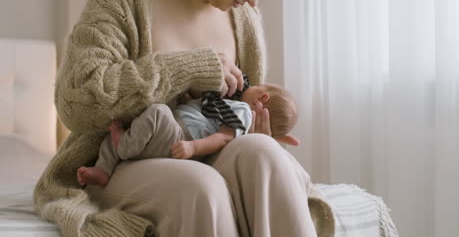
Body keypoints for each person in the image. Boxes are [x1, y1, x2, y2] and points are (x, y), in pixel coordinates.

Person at [33, 0, 335, 236]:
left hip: (207, 152)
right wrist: (187, 68)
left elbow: (233, 116)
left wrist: (256, 130)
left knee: (266, 153)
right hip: (122, 161)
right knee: (201, 188)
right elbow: (77, 101)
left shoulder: (244, 19)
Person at [77, 83, 298, 187]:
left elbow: (222, 138)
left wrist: (194, 147)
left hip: (182, 137)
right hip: (176, 132)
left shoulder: (242, 112)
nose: (251, 86)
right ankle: (103, 170)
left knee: (157, 111)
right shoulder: (232, 106)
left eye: (258, 86)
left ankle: (123, 147)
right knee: (119, 128)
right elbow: (205, 112)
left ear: (263, 98)